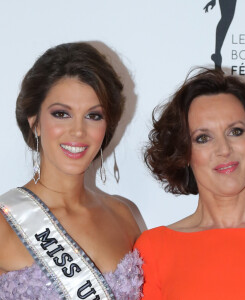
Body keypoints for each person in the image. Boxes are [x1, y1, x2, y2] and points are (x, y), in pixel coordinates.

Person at [135, 68, 245, 299]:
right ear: (185, 152)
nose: (224, 149)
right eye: (203, 138)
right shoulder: (154, 250)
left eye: (235, 131)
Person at [0, 42, 143, 300]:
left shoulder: (124, 215)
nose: (78, 131)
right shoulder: (3, 223)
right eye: (61, 113)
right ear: (35, 123)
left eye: (93, 116)